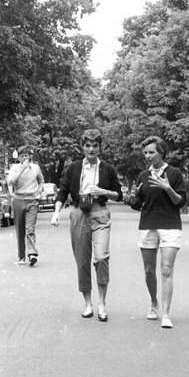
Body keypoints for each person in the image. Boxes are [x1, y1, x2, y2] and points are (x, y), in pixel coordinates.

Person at [50, 129, 122, 321]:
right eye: (87, 145)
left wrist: (102, 190)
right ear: (83, 147)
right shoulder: (73, 168)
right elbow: (62, 191)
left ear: (100, 147)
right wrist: (56, 213)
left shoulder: (107, 169)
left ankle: (102, 303)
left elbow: (118, 194)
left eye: (95, 145)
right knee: (82, 260)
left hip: (100, 212)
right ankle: (88, 303)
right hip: (79, 212)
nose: (91, 149)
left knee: (101, 257)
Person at [126, 135, 186, 329]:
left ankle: (166, 314)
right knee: (149, 270)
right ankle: (153, 302)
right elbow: (138, 204)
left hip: (170, 224)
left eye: (151, 152)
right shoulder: (143, 176)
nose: (148, 156)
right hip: (148, 224)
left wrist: (167, 188)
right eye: (145, 153)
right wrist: (131, 198)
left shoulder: (174, 173)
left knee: (166, 269)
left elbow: (180, 202)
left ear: (161, 152)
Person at [6, 145, 44, 266]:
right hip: (18, 200)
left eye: (27, 155)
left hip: (32, 200)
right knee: (20, 230)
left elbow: (41, 181)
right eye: (22, 156)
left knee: (30, 229)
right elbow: (11, 182)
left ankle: (32, 254)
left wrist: (39, 192)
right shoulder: (14, 168)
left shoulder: (36, 168)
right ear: (19, 157)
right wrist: (22, 169)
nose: (25, 158)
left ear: (30, 156)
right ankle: (21, 257)